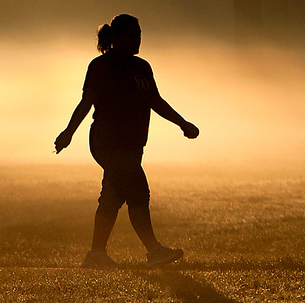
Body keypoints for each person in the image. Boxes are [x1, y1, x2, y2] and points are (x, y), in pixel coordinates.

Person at [54, 14, 199, 270]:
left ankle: (96, 255)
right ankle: (153, 250)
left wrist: (182, 123)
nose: (137, 40)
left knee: (112, 195)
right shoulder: (100, 67)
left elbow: (155, 101)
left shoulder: (142, 67)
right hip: (106, 141)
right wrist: (68, 133)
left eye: (140, 35)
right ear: (116, 38)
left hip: (133, 143)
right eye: (132, 36)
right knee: (138, 190)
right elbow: (86, 103)